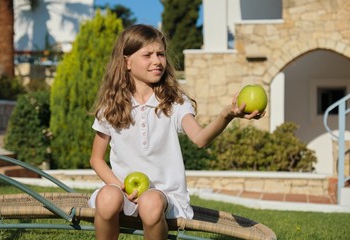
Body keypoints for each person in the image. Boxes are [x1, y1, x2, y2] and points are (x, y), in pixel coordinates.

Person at [88, 24, 264, 240]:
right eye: (148, 55)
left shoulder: (175, 103)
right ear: (127, 62)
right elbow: (96, 159)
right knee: (107, 197)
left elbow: (200, 139)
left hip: (165, 196)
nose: (157, 61)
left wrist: (226, 115)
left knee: (150, 202)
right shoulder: (111, 107)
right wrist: (120, 187)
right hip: (123, 191)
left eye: (160, 54)